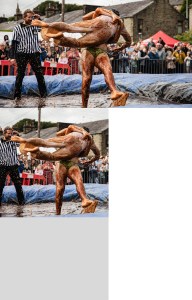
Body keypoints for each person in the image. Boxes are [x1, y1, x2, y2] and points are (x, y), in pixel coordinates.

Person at [32, 7, 132, 107]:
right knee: (107, 70)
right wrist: (120, 48)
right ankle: (113, 90)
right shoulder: (118, 24)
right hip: (98, 48)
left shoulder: (104, 18)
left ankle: (52, 29)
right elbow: (128, 41)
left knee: (72, 30)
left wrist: (98, 13)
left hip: (90, 49)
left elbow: (87, 16)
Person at [11, 125, 100, 215]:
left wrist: (69, 131)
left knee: (61, 187)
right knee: (77, 182)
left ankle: (29, 144)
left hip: (63, 163)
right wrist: (90, 161)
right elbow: (97, 155)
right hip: (69, 163)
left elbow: (64, 130)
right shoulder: (89, 141)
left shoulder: (75, 134)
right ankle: (83, 199)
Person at [9, 9, 47, 105]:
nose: (30, 19)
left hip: (34, 53)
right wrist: (12, 57)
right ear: (24, 17)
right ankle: (17, 96)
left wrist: (39, 18)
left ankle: (43, 95)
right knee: (20, 74)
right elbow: (14, 43)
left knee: (39, 74)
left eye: (32, 17)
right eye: (29, 17)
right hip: (22, 53)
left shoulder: (35, 26)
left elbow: (45, 27)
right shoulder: (17, 28)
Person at [0, 127, 24, 205]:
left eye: (11, 133)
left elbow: (22, 142)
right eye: (8, 133)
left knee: (18, 185)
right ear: (4, 133)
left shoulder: (14, 141)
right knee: (0, 185)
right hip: (3, 165)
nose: (10, 135)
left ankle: (21, 202)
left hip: (13, 165)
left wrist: (17, 136)